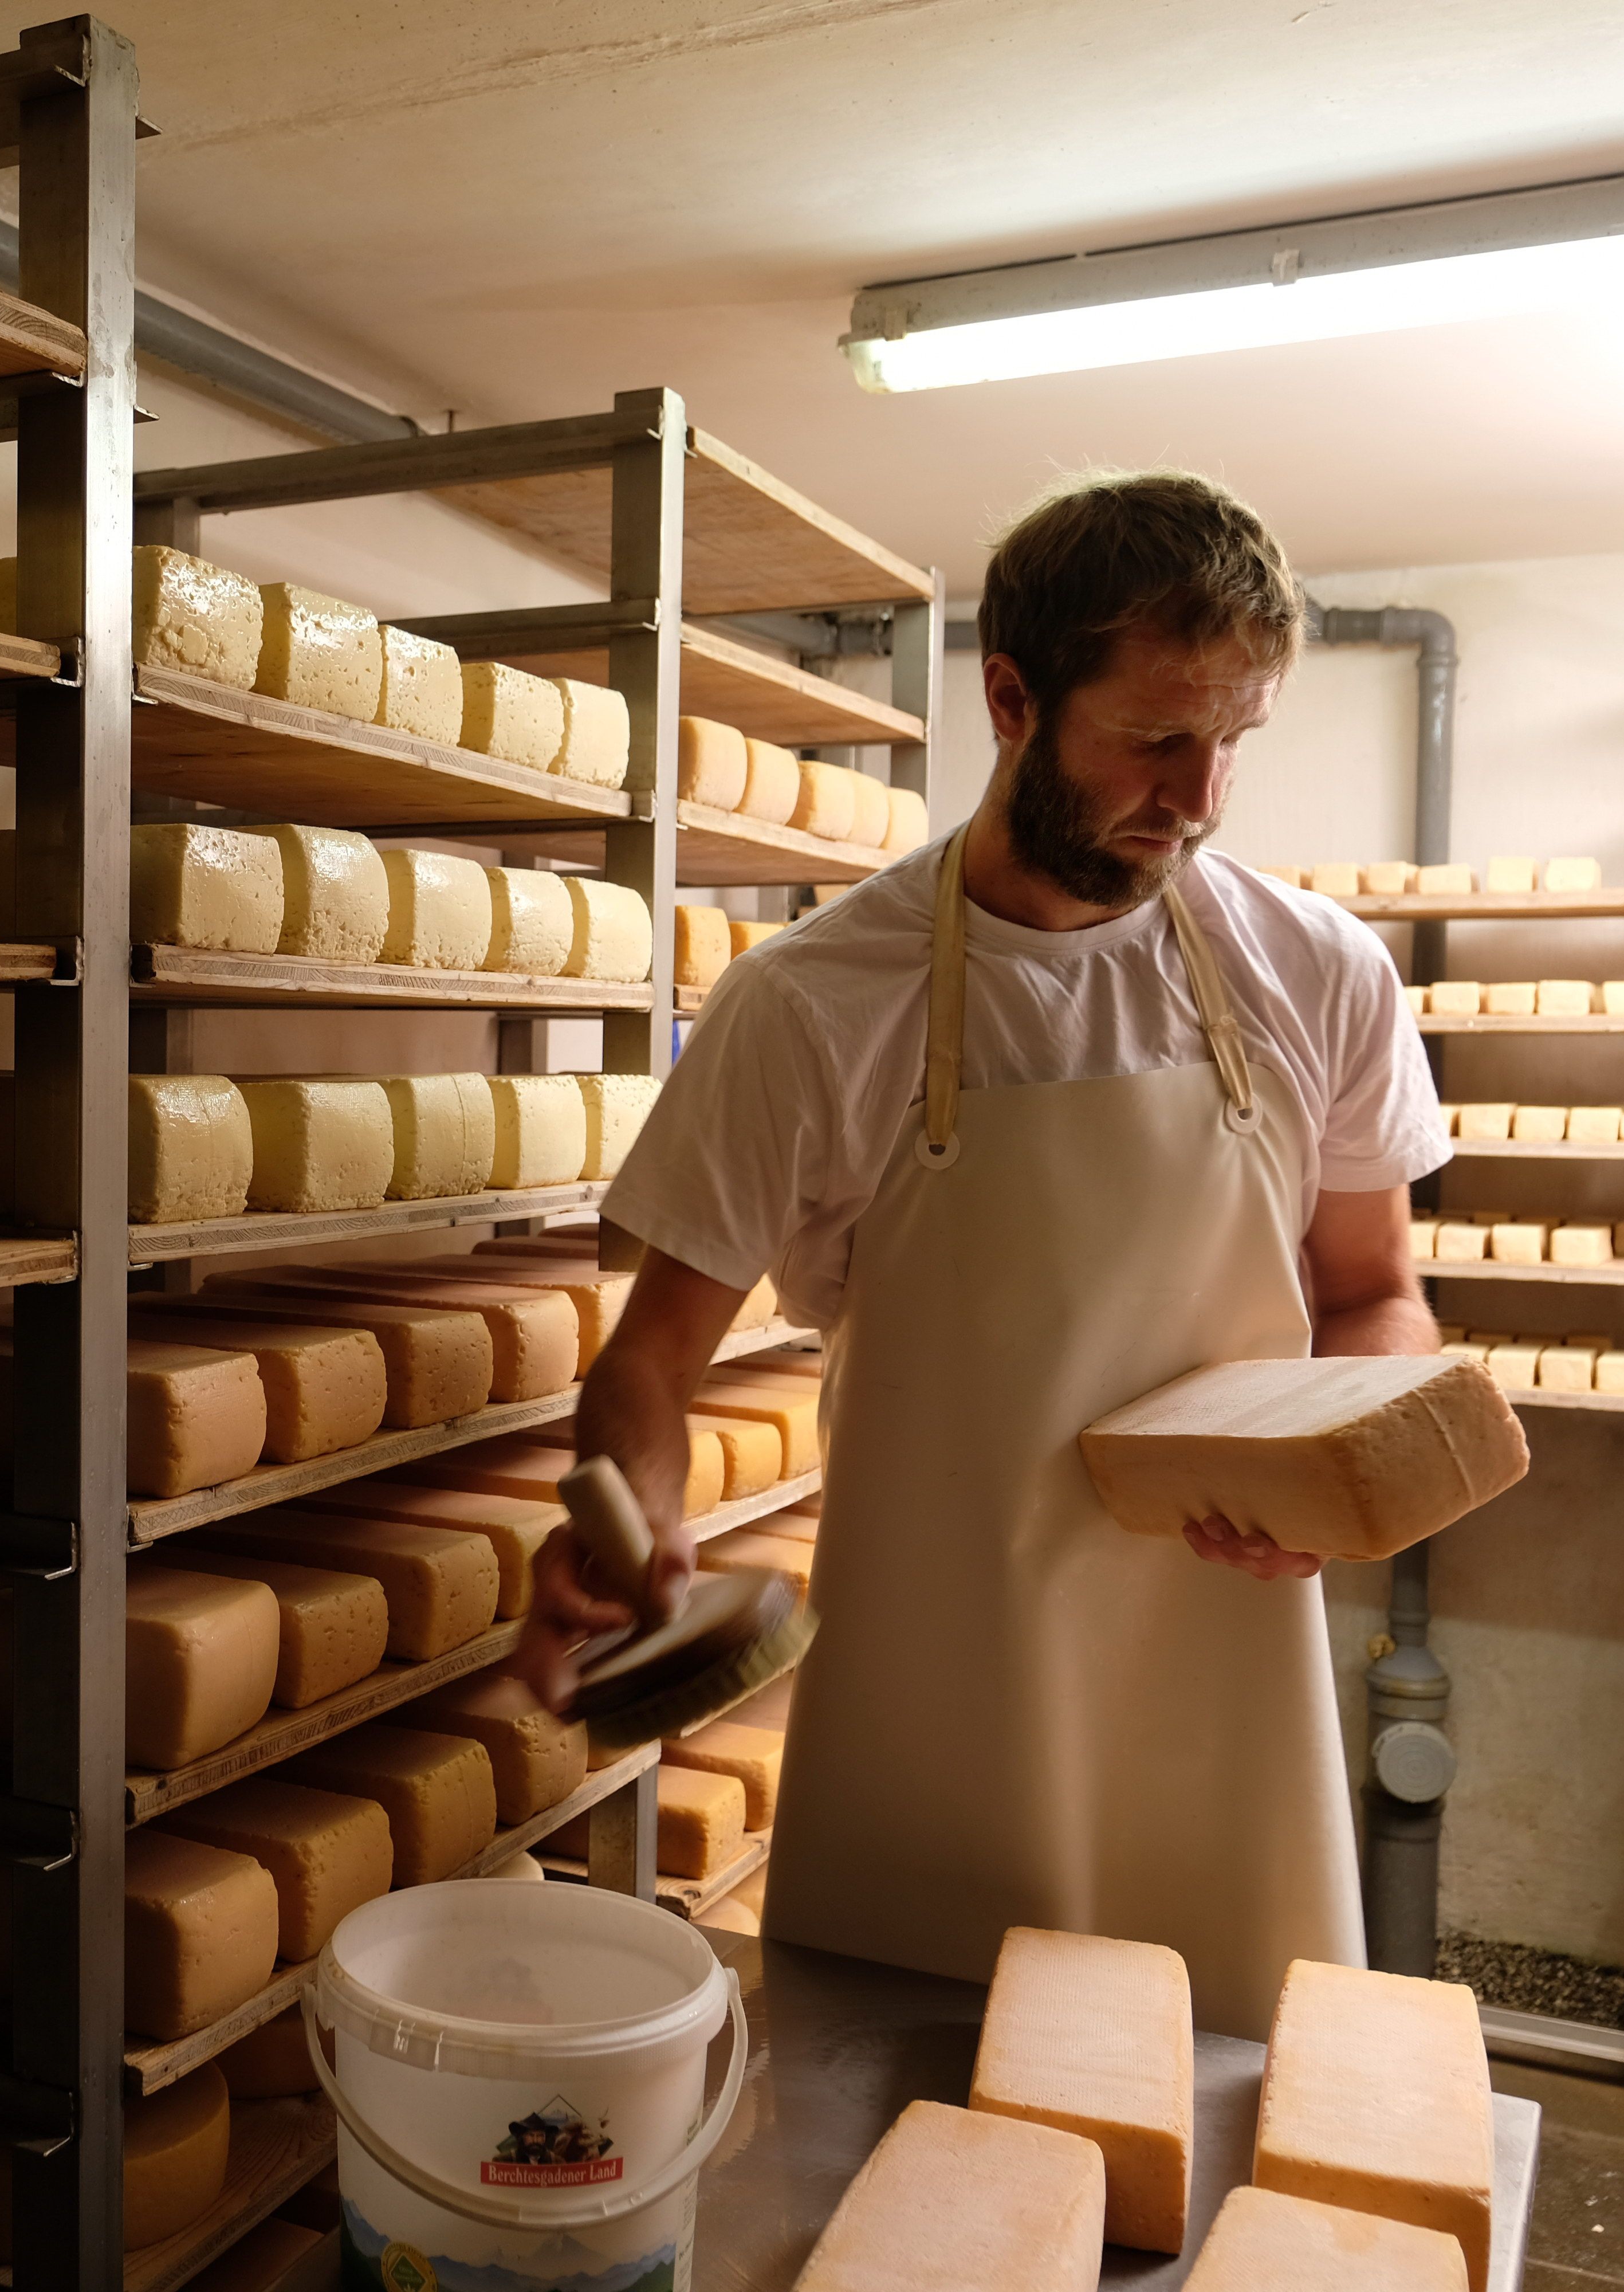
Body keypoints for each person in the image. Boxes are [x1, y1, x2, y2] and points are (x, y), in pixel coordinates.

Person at [528, 470, 1449, 2036]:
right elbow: (650, 1368)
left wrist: (1343, 1485)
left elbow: (1376, 1300)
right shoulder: (815, 1003)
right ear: (1011, 698)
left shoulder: (1318, 971)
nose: (1201, 795)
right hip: (941, 1695)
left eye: (1236, 741)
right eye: (1156, 738)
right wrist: (640, 1527)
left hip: (1224, 1685)